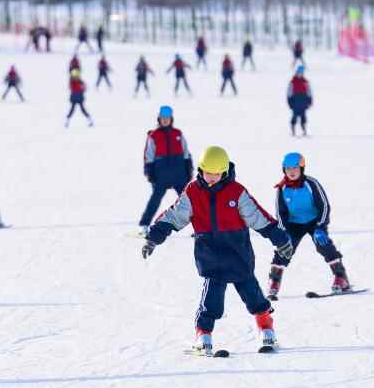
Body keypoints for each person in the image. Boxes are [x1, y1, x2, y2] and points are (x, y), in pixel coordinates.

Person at [142, 147, 294, 355]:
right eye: (208, 172)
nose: (212, 177)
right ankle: (203, 335)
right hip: (210, 255)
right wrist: (153, 238)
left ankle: (266, 327)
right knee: (211, 300)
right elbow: (174, 216)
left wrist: (280, 240)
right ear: (201, 170)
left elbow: (258, 217)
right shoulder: (193, 191)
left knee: (253, 294)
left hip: (238, 252)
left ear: (225, 171)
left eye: (217, 173)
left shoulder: (236, 192)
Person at [266, 152, 350, 301]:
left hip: (314, 222)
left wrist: (320, 227)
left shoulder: (311, 184)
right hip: (293, 224)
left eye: (295, 168)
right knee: (285, 248)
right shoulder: (282, 188)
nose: (291, 172)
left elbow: (324, 206)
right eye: (288, 169)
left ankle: (341, 276)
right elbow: (281, 213)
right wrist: (284, 233)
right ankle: (274, 281)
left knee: (323, 243)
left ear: (301, 168)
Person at [138, 105, 192, 236]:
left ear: (171, 119)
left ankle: (200, 227)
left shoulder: (177, 134)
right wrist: (149, 172)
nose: (165, 120)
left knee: (189, 201)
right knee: (155, 200)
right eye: (163, 118)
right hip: (161, 175)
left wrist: (188, 169)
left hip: (179, 174)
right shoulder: (154, 135)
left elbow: (186, 153)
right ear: (159, 119)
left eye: (167, 118)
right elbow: (148, 155)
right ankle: (144, 225)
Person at [287, 65, 312, 136]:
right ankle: (293, 130)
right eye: (299, 72)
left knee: (303, 116)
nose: (300, 74)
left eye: (301, 72)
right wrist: (289, 101)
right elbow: (289, 92)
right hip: (295, 101)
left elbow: (309, 91)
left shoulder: (305, 81)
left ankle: (304, 130)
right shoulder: (293, 81)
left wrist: (309, 100)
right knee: (294, 116)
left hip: (303, 101)